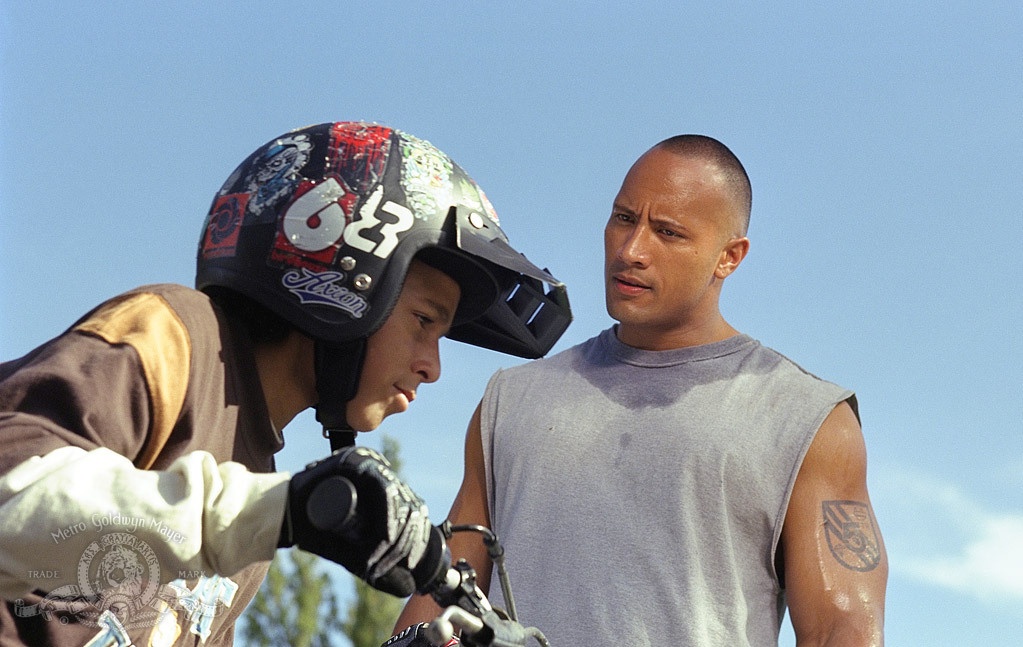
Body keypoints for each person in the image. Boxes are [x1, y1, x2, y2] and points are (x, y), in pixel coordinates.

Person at [0, 121, 571, 647]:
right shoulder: (178, 336)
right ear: (346, 268)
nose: (433, 366)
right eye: (424, 321)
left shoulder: (257, 485)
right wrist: (285, 511)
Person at [394, 135, 887, 646]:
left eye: (668, 233)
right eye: (624, 219)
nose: (631, 251)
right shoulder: (510, 401)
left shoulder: (804, 417)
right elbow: (441, 598)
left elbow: (841, 628)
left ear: (729, 257)